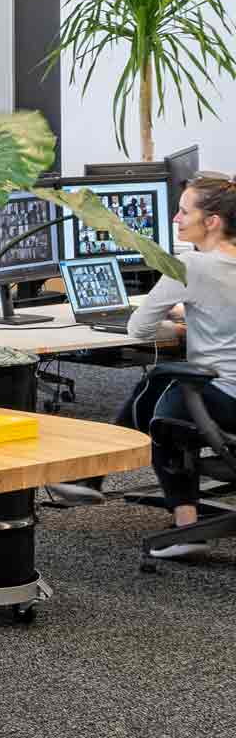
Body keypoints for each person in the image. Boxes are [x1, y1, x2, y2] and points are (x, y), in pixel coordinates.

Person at [132, 171, 236, 560]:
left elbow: (138, 328)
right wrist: (190, 313)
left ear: (212, 221)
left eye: (183, 211)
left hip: (227, 398)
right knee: (168, 388)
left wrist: (175, 318)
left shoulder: (191, 266)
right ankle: (88, 479)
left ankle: (186, 527)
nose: (175, 219)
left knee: (164, 399)